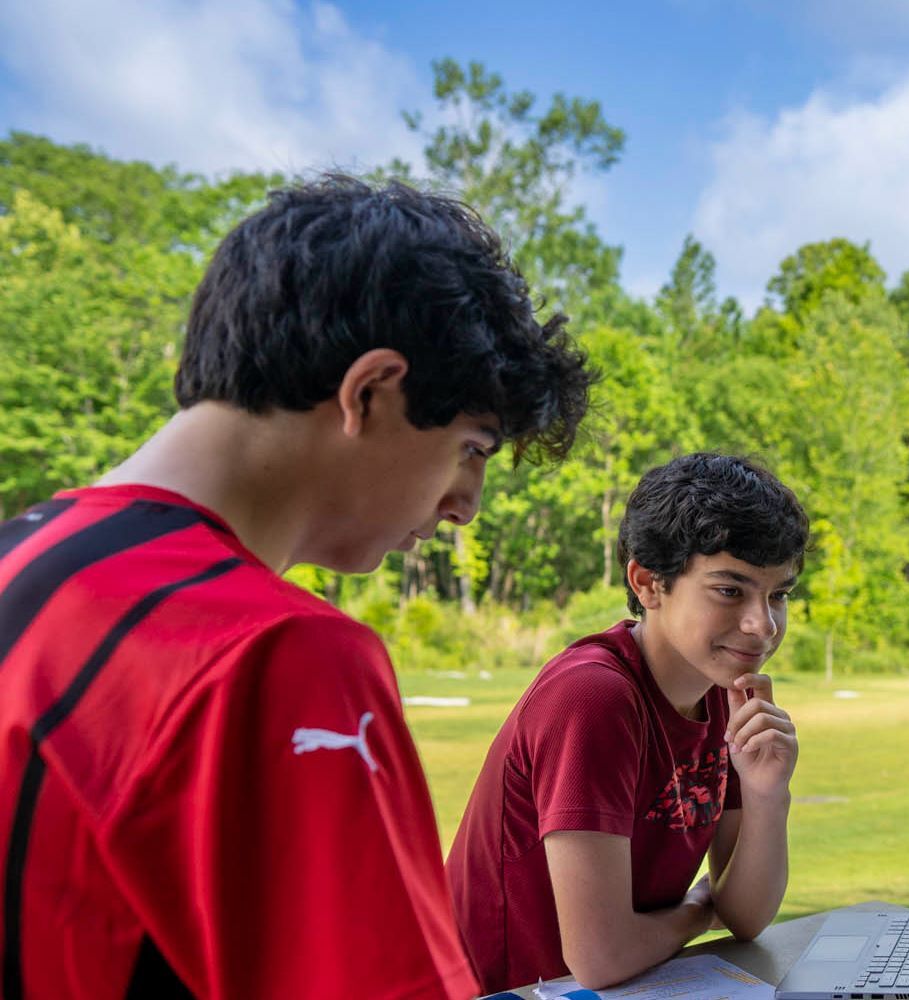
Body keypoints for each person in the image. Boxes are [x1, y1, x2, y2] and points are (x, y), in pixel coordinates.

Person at [0, 176, 592, 998]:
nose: (465, 506)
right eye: (473, 450)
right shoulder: (274, 652)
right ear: (371, 392)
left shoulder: (23, 564)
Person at [449, 453, 805, 992]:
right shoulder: (593, 696)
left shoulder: (720, 697)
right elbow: (602, 956)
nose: (762, 625)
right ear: (647, 582)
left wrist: (767, 793)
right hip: (500, 989)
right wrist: (696, 910)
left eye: (778, 594)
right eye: (730, 590)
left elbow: (747, 916)